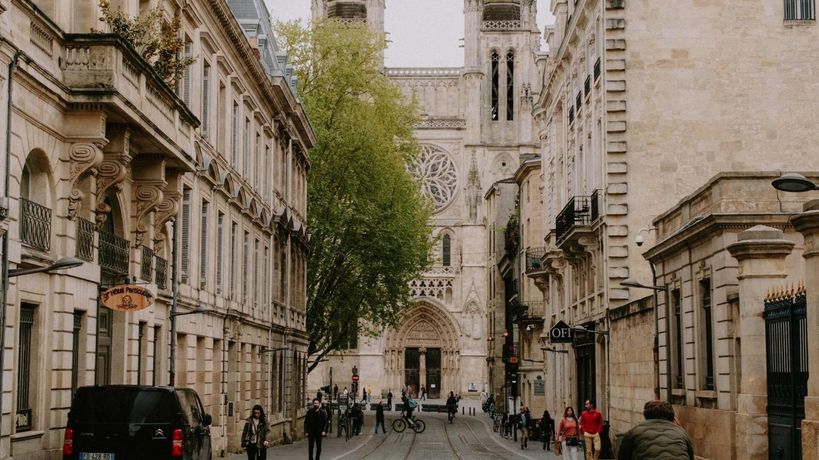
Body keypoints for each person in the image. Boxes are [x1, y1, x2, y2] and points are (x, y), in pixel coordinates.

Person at [618, 400, 694, 460]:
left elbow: (623, 457)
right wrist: (678, 427)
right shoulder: (682, 433)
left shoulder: (633, 432)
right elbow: (691, 456)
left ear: (646, 416)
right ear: (673, 418)